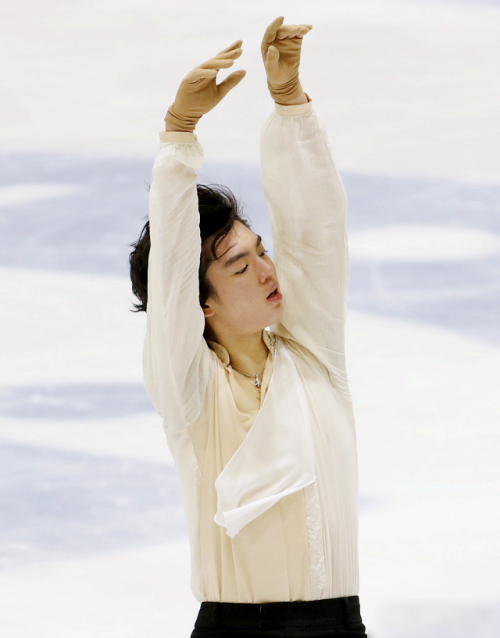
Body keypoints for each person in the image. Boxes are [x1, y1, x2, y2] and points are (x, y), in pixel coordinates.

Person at [129, 15, 368, 638]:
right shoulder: (192, 392)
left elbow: (316, 234)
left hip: (337, 627)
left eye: (261, 251)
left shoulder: (313, 354)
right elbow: (172, 278)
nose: (267, 269)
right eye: (240, 266)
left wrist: (290, 102)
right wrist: (178, 134)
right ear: (201, 306)